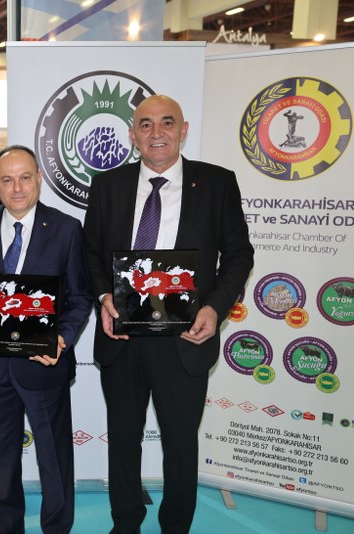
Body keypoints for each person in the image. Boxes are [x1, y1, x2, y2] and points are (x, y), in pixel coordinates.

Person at [83, 95, 254, 534]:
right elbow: (90, 252)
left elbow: (238, 254)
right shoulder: (107, 185)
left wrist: (214, 308)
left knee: (179, 446)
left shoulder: (217, 183)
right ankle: (125, 525)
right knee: (123, 442)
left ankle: (175, 527)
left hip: (185, 339)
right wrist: (103, 296)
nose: (156, 133)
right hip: (122, 337)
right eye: (145, 124)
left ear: (183, 130)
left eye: (166, 122)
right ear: (132, 134)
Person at [0, 145, 92, 534]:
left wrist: (62, 339)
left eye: (25, 178)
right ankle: (7, 527)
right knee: (1, 457)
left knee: (54, 458)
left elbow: (80, 297)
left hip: (44, 364)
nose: (17, 188)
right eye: (7, 179)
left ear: (39, 180)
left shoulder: (66, 229)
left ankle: (57, 528)